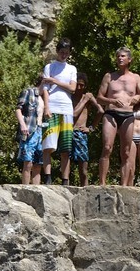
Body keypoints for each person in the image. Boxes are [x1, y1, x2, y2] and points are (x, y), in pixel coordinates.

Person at [96, 49, 140, 188]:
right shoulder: (109, 76)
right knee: (107, 147)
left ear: (129, 60)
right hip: (111, 113)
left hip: (128, 115)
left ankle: (124, 185)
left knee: (126, 151)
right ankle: (102, 183)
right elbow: (99, 98)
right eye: (118, 56)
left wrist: (137, 97)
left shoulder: (135, 77)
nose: (119, 58)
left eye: (123, 56)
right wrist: (112, 101)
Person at [40, 38, 78, 185]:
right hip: (53, 107)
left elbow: (72, 88)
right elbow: (45, 89)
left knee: (66, 147)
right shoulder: (49, 67)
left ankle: (65, 180)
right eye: (62, 52)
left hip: (66, 109)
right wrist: (46, 107)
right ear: (57, 51)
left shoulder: (72, 69)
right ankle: (48, 178)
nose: (64, 55)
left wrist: (55, 81)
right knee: (48, 145)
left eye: (66, 53)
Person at [15, 69, 48, 186]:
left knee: (38, 163)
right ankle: (25, 188)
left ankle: (36, 189)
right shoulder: (28, 92)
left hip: (41, 131)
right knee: (28, 162)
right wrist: (22, 125)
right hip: (30, 129)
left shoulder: (44, 98)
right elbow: (18, 108)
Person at [70, 74, 102, 188]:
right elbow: (73, 114)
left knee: (83, 168)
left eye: (82, 85)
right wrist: (84, 101)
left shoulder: (88, 97)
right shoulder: (70, 96)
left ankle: (85, 189)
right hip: (68, 131)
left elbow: (100, 111)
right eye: (77, 84)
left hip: (80, 133)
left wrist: (91, 127)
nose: (79, 87)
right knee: (66, 164)